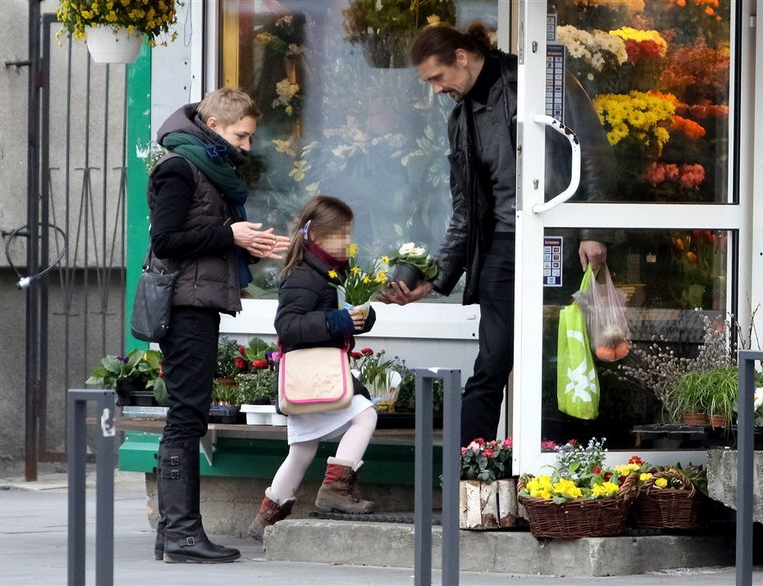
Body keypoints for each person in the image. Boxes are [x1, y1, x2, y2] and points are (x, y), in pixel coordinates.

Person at [380, 24, 615, 446]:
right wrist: (434, 278)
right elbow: (466, 211)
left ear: (462, 57)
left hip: (558, 240)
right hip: (504, 247)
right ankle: (470, 476)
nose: (435, 90)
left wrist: (591, 231)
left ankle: (558, 473)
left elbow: (593, 153)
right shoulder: (462, 119)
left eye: (437, 77)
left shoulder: (540, 81)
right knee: (491, 363)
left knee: (557, 361)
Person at [148, 87, 290, 563]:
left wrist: (247, 244)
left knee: (188, 413)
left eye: (249, 137)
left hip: (199, 301)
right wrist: (229, 233)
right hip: (184, 305)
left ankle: (174, 532)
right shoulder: (179, 167)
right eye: (240, 135)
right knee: (187, 415)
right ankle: (183, 534)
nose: (247, 146)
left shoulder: (208, 169)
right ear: (212, 126)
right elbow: (167, 240)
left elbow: (200, 236)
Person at [248, 195, 379, 542]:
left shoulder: (331, 272)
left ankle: (267, 520)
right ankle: (334, 489)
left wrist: (362, 319)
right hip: (314, 375)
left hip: (313, 376)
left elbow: (341, 316)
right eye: (343, 235)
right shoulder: (304, 277)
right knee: (365, 415)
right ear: (319, 237)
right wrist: (338, 319)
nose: (350, 242)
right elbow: (288, 326)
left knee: (302, 449)